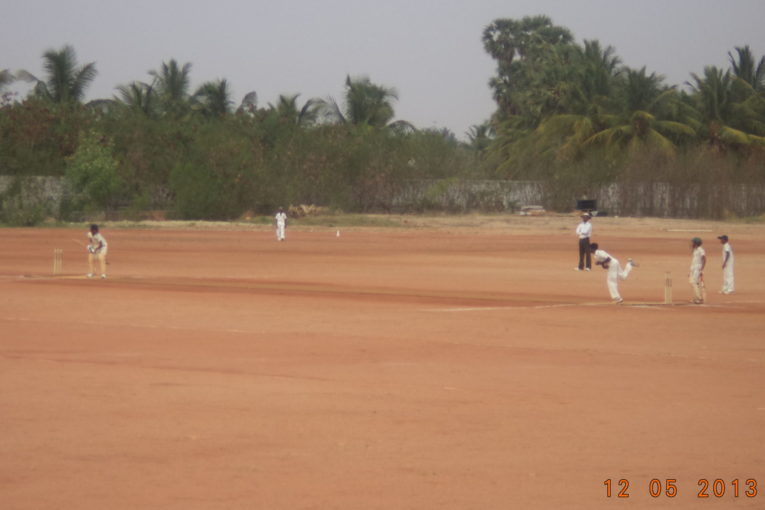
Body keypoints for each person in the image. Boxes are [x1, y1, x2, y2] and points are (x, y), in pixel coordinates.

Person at [689, 237, 706, 304]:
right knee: (694, 282)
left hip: (697, 268)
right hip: (694, 268)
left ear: (696, 243)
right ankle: (697, 297)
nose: (691, 243)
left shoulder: (700, 250)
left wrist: (702, 268)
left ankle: (699, 298)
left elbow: (704, 258)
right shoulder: (695, 250)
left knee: (694, 282)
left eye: (693, 242)